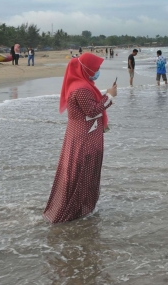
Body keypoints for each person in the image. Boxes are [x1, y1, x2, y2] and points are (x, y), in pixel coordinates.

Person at [43, 53, 118, 224]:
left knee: (82, 171)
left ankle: (80, 207)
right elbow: (92, 111)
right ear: (87, 69)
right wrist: (111, 96)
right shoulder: (82, 88)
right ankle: (73, 210)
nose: (98, 71)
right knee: (83, 170)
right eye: (96, 68)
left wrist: (106, 95)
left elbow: (91, 108)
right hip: (85, 138)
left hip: (83, 135)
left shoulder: (83, 85)